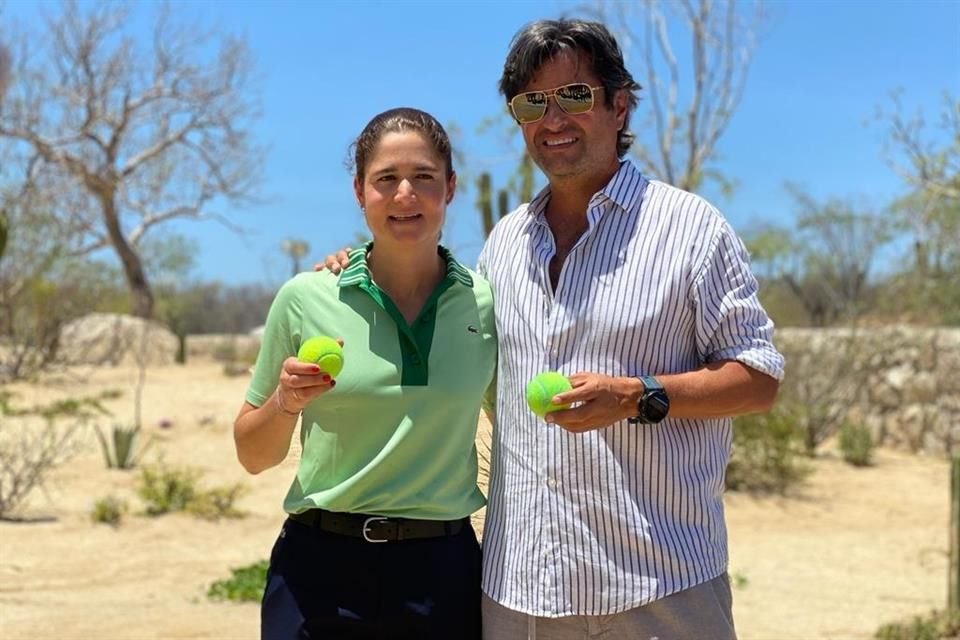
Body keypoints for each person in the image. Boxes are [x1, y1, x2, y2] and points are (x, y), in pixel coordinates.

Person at [321, 18, 784, 640]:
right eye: (532, 102)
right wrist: (351, 268)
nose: (553, 119)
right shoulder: (504, 244)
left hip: (658, 586)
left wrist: (635, 394)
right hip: (520, 592)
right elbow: (431, 317)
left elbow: (757, 379)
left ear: (619, 105)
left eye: (574, 95)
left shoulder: (692, 230)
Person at [234, 107, 497, 639]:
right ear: (359, 191)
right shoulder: (305, 298)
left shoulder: (486, 302)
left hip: (442, 574)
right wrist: (285, 402)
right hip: (318, 570)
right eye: (386, 179)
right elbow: (252, 456)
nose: (405, 194)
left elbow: (524, 435)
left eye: (423, 177)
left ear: (450, 187)